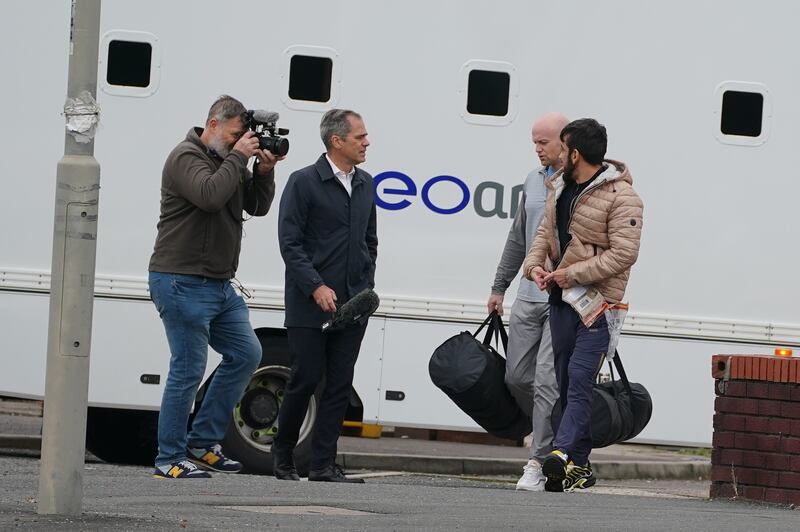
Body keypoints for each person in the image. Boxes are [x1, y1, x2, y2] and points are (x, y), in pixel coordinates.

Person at [148, 95, 284, 479]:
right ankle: (169, 458)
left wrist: (264, 171)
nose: (240, 140)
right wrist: (239, 158)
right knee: (188, 370)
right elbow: (209, 197)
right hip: (180, 279)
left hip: (220, 285)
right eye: (235, 134)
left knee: (246, 353)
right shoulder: (184, 157)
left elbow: (256, 207)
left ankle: (202, 442)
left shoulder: (230, 162)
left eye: (244, 136)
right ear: (212, 124)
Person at [523, 118, 643, 492]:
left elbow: (625, 253)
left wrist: (571, 274)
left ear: (575, 152)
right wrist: (536, 268)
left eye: (562, 147)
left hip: (599, 305)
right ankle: (581, 464)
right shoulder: (560, 187)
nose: (555, 153)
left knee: (579, 376)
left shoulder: (623, 197)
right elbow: (545, 234)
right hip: (561, 300)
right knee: (565, 378)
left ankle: (560, 454)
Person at [273, 109, 377, 483]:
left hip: (353, 306)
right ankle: (282, 454)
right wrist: (315, 286)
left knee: (339, 384)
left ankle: (322, 464)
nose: (367, 142)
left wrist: (365, 287)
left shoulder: (366, 184)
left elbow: (370, 242)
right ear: (337, 141)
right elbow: (290, 243)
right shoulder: (303, 182)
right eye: (359, 136)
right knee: (305, 378)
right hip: (309, 305)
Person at [487, 112, 568, 492]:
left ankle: (537, 461)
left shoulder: (579, 182)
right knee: (517, 376)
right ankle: (553, 430)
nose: (537, 149)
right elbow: (518, 236)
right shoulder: (531, 181)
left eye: (543, 142)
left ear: (564, 142)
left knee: (549, 379)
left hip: (564, 298)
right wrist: (499, 287)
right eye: (534, 142)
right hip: (527, 295)